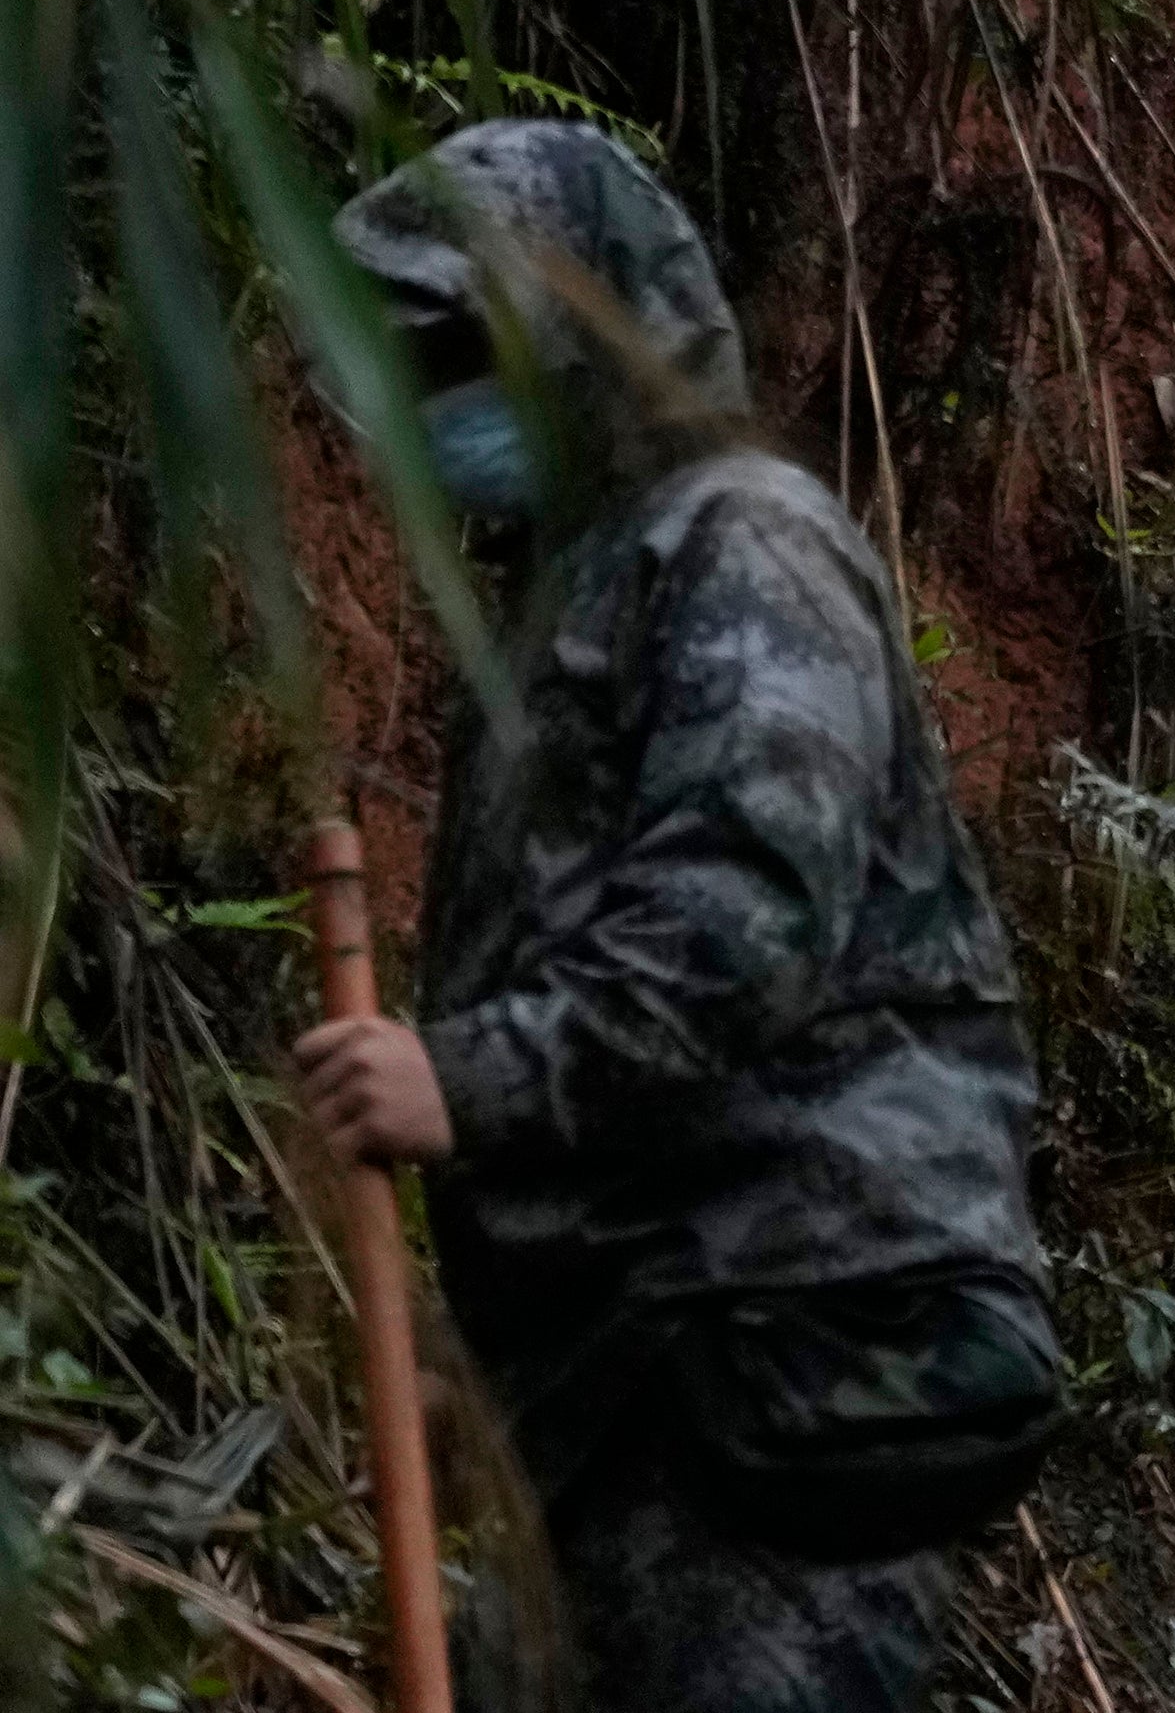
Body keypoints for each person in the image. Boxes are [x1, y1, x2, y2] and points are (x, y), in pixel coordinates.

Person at [284, 121, 1055, 1713]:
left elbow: (741, 916)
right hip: (639, 1374)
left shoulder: (741, 542)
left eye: (456, 346)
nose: (419, 397)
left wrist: (471, 1078)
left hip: (788, 1329)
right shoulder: (591, 573)